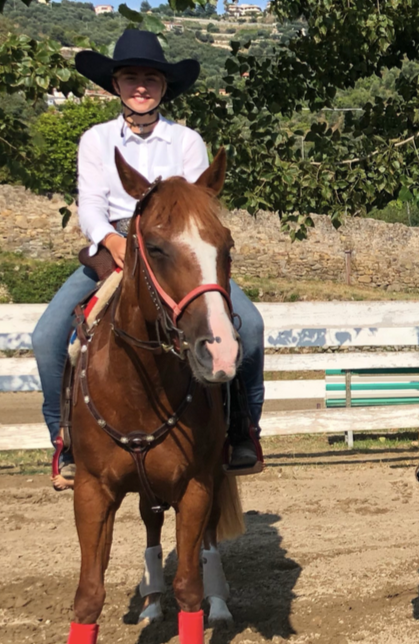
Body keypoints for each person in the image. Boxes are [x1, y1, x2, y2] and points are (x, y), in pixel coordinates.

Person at [31, 28, 266, 490]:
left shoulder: (186, 140)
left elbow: (197, 206)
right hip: (115, 248)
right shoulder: (95, 140)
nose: (141, 85)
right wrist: (114, 244)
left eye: (151, 78)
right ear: (116, 84)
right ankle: (66, 441)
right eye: (131, 76)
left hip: (175, 252)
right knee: (47, 337)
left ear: (164, 87)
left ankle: (242, 431)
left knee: (251, 327)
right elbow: (92, 207)